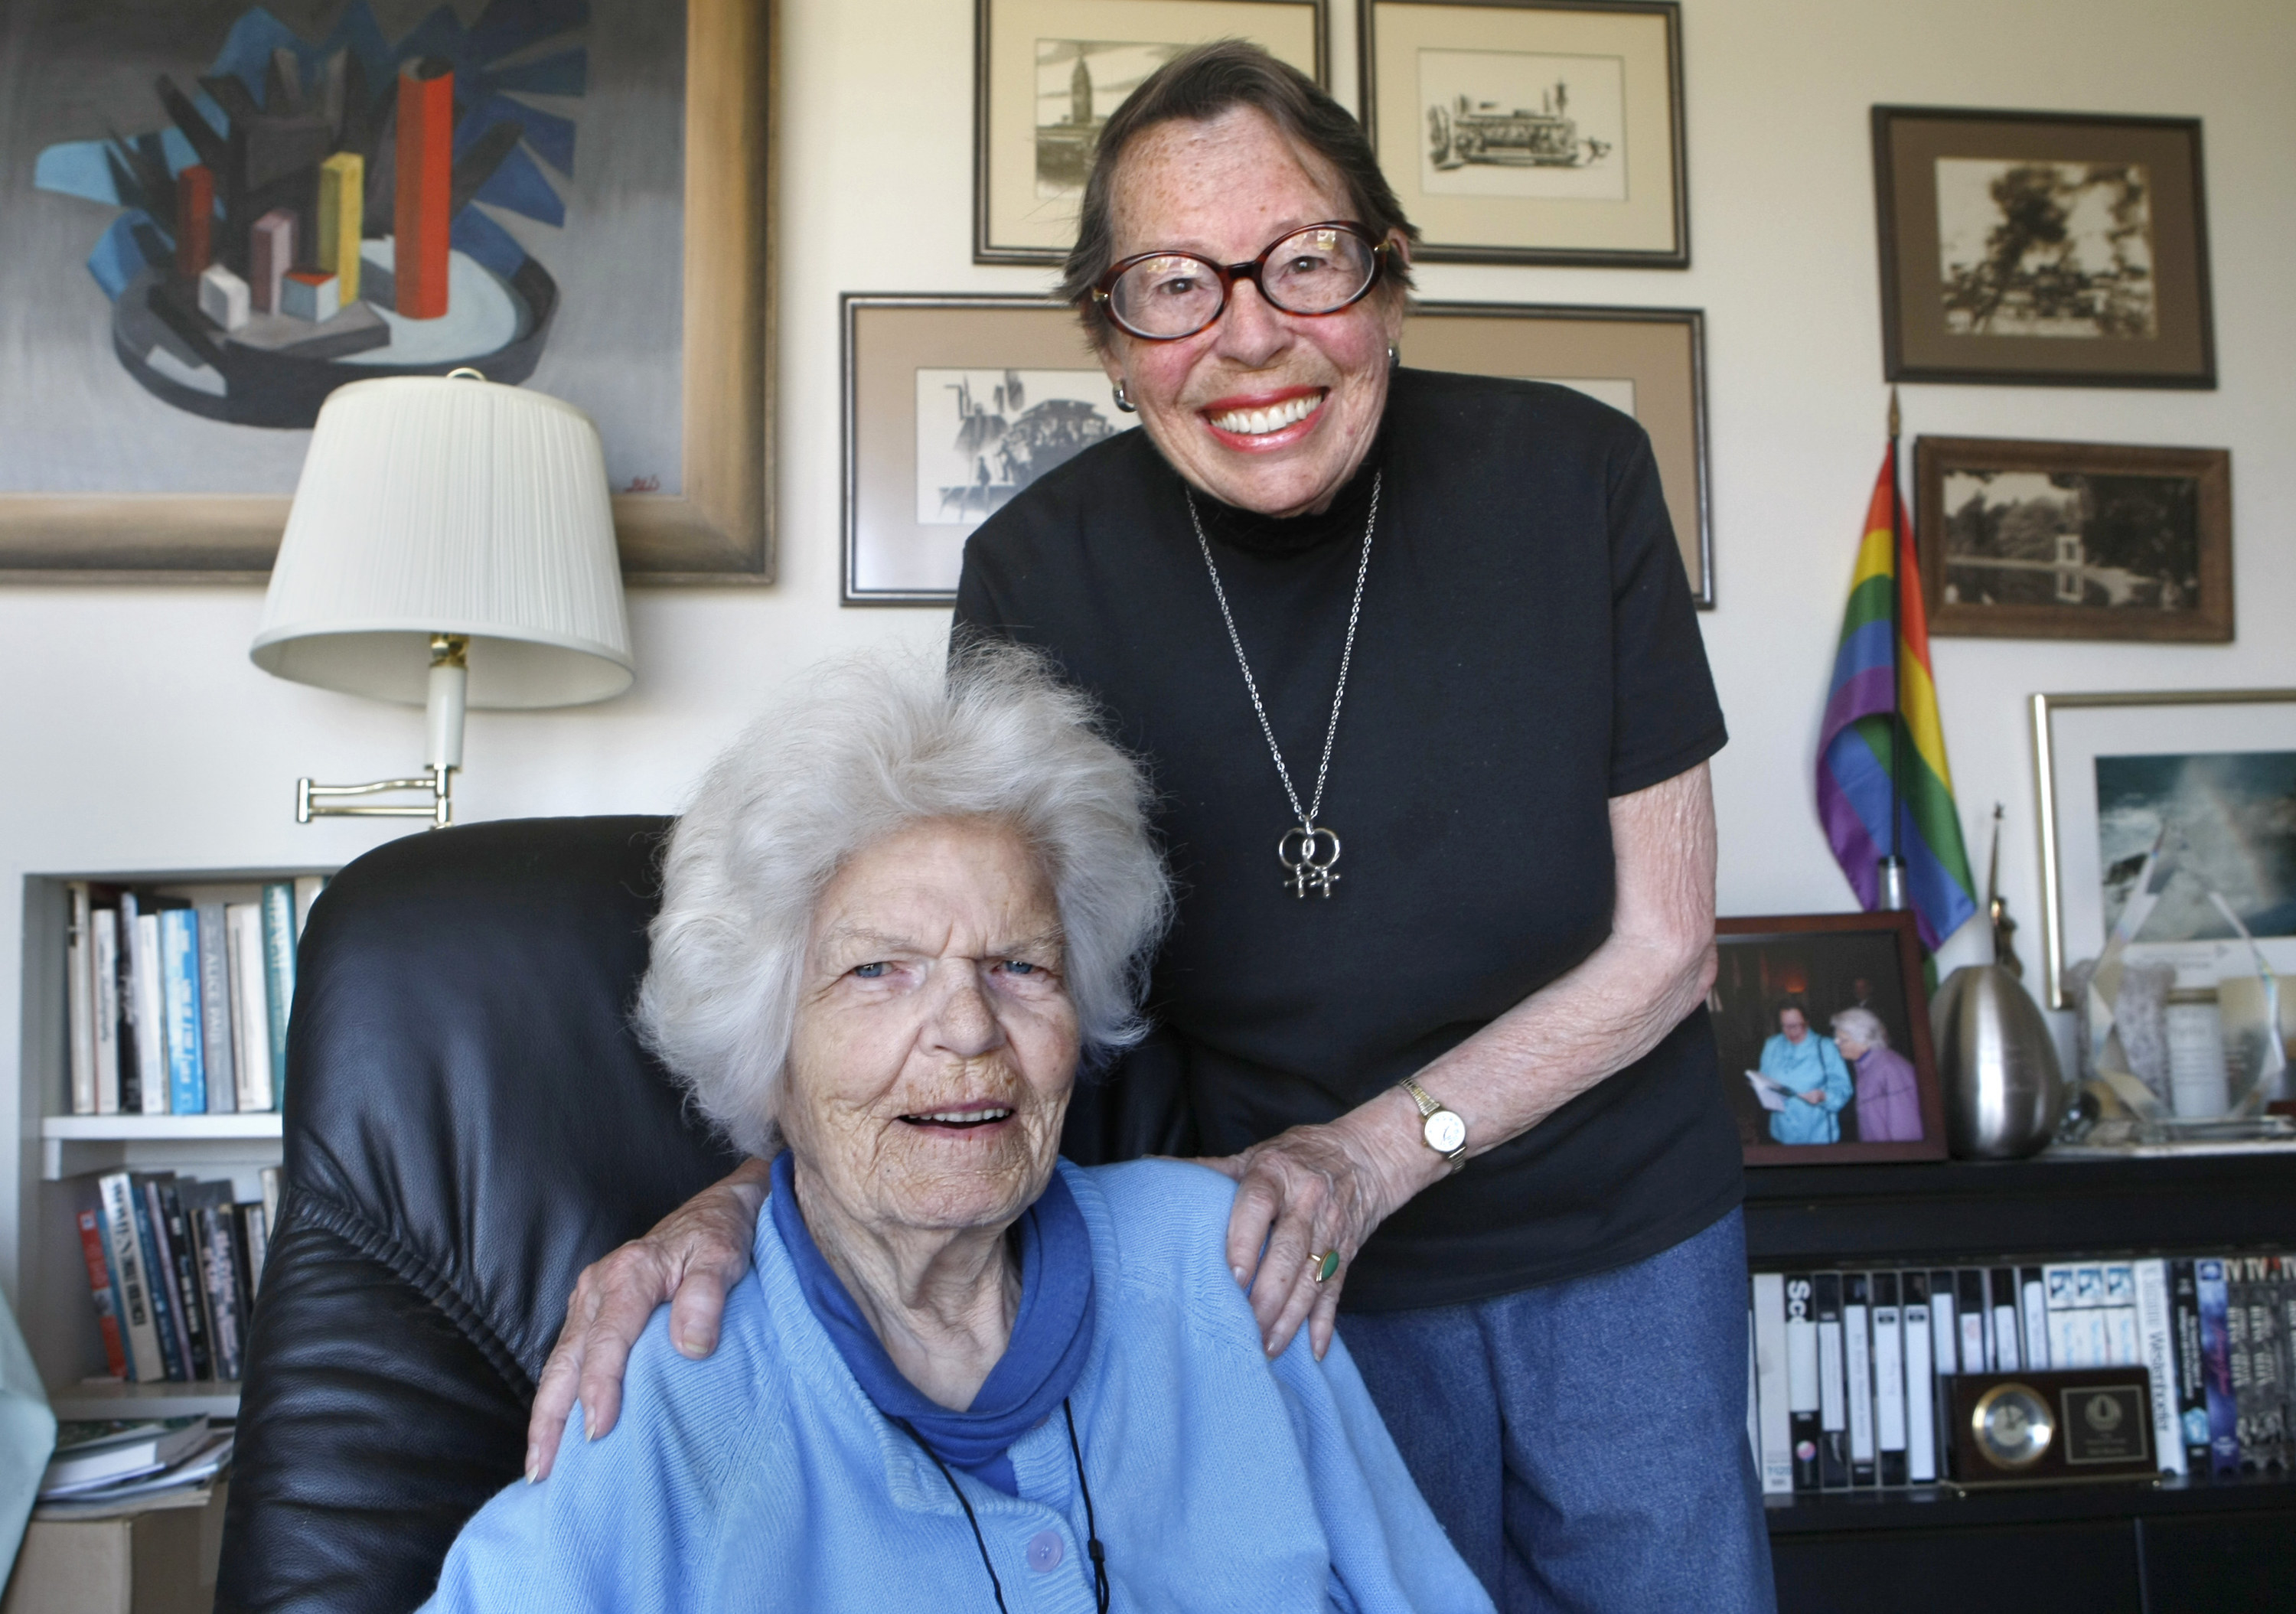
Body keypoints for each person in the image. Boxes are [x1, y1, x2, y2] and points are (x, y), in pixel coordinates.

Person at [530, 44, 1769, 1612]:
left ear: (1388, 279)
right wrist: (733, 1210)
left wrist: (1373, 1154)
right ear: (1112, 338)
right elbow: (958, 959)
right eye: (1174, 285)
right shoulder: (1041, 570)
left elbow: (1665, 946)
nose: (1252, 336)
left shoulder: (1575, 475)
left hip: (1620, 1239)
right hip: (1262, 1261)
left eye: (1307, 263)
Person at [422, 651, 1489, 1612]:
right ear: (768, 1048)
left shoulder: (1231, 1264)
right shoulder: (684, 1385)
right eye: (880, 970)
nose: (971, 1027)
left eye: (1021, 966)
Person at [1760, 1003, 1851, 1146]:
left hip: (1817, 1133)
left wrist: (1824, 1096)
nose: (1791, 1032)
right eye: (1785, 1026)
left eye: (1796, 1025)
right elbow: (1764, 1080)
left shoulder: (1825, 1047)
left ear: (1807, 1022)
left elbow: (1843, 1088)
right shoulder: (1772, 1045)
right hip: (1782, 1131)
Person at [1831, 1006, 1923, 1142]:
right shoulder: (1866, 1065)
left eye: (1843, 1040)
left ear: (1863, 1039)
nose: (1837, 1044)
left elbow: (1905, 1129)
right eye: (1837, 1039)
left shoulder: (1890, 1068)